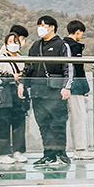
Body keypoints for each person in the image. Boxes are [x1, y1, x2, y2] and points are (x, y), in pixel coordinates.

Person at [23, 15, 71, 167]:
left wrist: (67, 86)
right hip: (38, 92)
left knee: (58, 123)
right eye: (38, 25)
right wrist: (22, 84)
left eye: (43, 25)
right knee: (43, 124)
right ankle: (48, 154)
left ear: (52, 27)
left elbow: (68, 67)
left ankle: (61, 154)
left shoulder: (61, 45)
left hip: (55, 91)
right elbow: (28, 67)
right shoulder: (35, 46)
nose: (40, 28)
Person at [0, 32, 29, 164]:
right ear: (6, 44)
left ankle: (18, 151)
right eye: (10, 42)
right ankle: (2, 153)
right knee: (3, 123)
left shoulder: (22, 59)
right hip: (4, 95)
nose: (13, 44)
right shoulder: (0, 58)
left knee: (19, 123)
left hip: (19, 95)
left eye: (15, 41)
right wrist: (12, 77)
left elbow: (26, 75)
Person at [64, 20, 93, 158]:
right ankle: (80, 150)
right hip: (75, 87)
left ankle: (61, 150)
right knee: (79, 118)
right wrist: (85, 86)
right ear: (78, 32)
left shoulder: (62, 45)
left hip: (62, 86)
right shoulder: (75, 47)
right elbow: (79, 68)